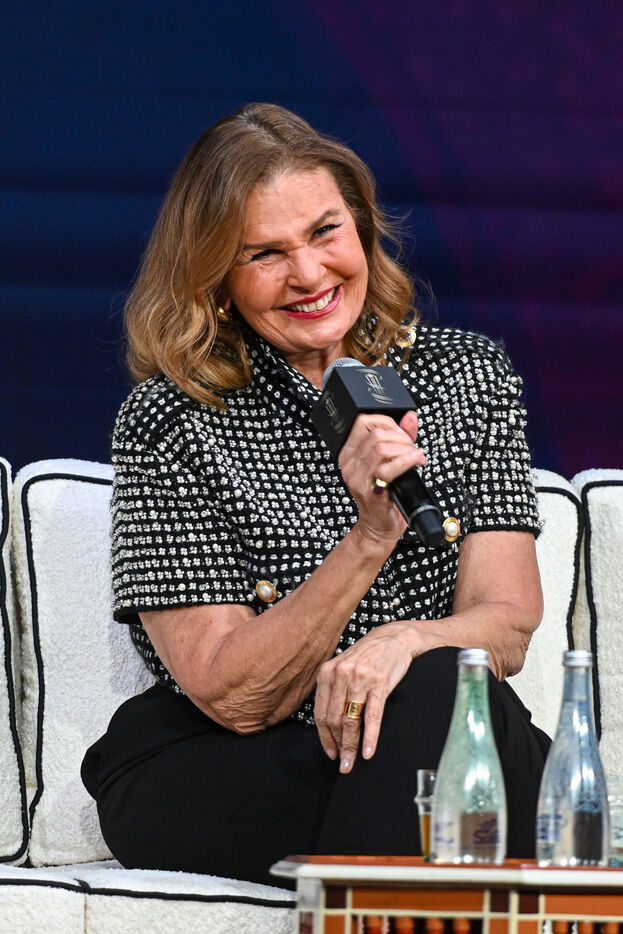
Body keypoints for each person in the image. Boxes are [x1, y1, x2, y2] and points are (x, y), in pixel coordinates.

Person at [81, 102, 550, 887]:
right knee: (461, 788)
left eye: (325, 232)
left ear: (361, 230)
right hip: (239, 760)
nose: (307, 273)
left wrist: (399, 644)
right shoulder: (172, 419)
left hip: (435, 730)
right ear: (216, 278)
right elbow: (233, 696)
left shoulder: (467, 375)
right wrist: (369, 537)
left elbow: (504, 623)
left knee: (443, 688)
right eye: (264, 253)